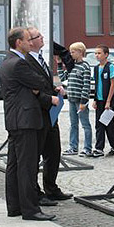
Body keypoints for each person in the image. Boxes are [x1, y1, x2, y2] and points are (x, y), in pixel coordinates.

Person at [0, 27, 56, 221]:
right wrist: (35, 85)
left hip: (15, 120)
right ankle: (31, 209)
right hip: (26, 121)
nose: (29, 43)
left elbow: (36, 85)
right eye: (26, 40)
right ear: (18, 43)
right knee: (27, 166)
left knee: (14, 165)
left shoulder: (7, 61)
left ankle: (14, 206)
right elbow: (41, 82)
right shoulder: (19, 64)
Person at [26, 27, 73, 205]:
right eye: (39, 36)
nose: (43, 38)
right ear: (30, 42)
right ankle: (36, 192)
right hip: (39, 113)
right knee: (36, 153)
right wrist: (49, 98)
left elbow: (43, 83)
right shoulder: (27, 61)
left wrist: (55, 89)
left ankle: (51, 188)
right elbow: (33, 89)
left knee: (54, 152)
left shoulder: (41, 58)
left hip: (51, 114)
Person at [58, 42, 92, 156]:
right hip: (71, 98)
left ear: (80, 52)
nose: (71, 54)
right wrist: (59, 64)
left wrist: (83, 101)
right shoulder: (71, 66)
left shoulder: (85, 66)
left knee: (85, 124)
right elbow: (63, 78)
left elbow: (86, 86)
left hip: (80, 100)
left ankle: (87, 148)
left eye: (73, 52)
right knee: (73, 124)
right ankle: (73, 147)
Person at [91, 45, 114, 158]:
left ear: (106, 54)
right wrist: (95, 99)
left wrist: (108, 101)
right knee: (99, 124)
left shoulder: (110, 67)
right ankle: (99, 149)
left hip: (109, 100)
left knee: (108, 123)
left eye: (99, 53)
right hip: (99, 100)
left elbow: (113, 84)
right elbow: (97, 84)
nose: (96, 55)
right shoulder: (96, 68)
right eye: (95, 53)